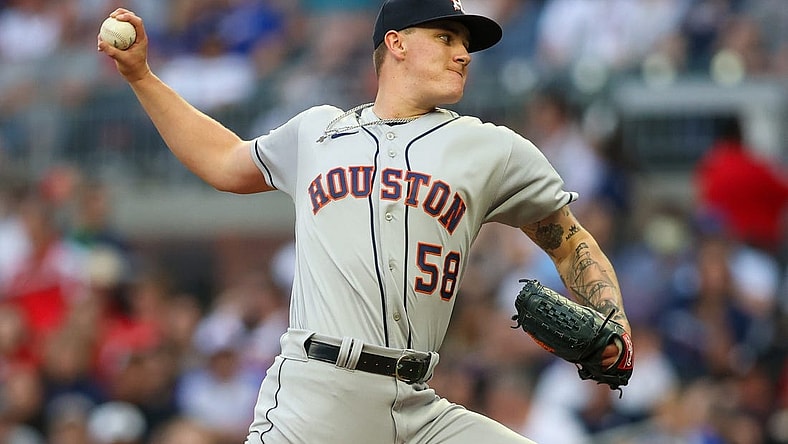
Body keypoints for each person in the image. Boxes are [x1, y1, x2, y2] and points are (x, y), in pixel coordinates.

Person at [98, 1, 633, 443]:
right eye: (446, 38)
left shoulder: (491, 148)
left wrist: (613, 318)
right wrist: (142, 76)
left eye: (465, 44)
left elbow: (568, 239)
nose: (464, 54)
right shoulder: (318, 132)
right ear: (396, 43)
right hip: (317, 396)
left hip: (418, 405)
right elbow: (222, 161)